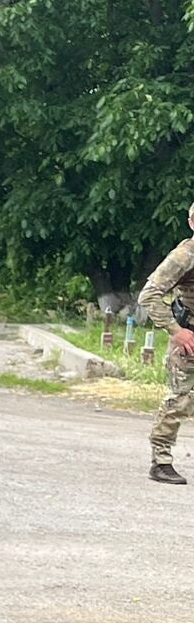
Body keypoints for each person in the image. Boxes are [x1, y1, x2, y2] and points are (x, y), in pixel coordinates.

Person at [138, 200, 194, 484]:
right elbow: (148, 296)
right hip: (189, 342)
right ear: (192, 223)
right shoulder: (184, 256)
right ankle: (160, 462)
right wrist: (176, 331)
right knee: (179, 401)